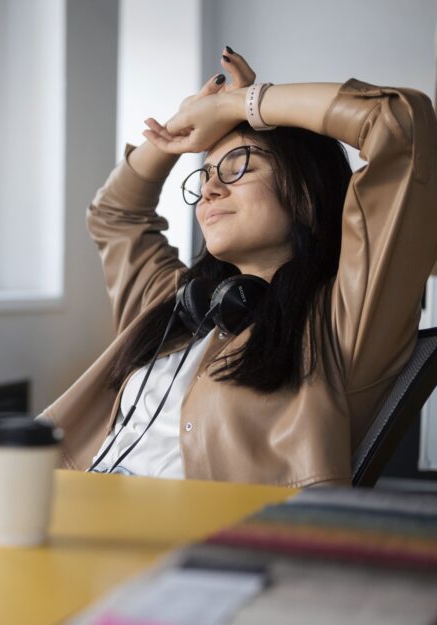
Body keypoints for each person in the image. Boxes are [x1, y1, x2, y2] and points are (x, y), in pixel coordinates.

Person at [37, 47, 437, 487]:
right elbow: (113, 214)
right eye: (206, 174)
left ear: (304, 195)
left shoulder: (345, 318)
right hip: (70, 504)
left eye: (238, 167)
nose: (209, 189)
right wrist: (177, 132)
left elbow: (401, 125)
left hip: (209, 544)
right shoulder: (178, 304)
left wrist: (236, 105)